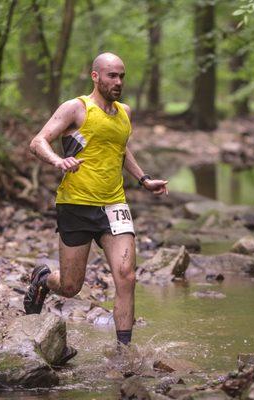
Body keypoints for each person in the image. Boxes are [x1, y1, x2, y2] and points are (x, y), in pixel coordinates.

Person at [25, 52, 168, 347]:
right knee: (70, 286)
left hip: (114, 205)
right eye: (112, 76)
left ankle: (123, 351)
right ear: (95, 76)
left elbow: (120, 148)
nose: (118, 82)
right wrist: (57, 161)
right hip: (76, 204)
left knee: (126, 275)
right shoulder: (76, 108)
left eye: (122, 76)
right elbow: (38, 141)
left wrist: (143, 180)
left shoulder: (125, 111)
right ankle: (43, 280)